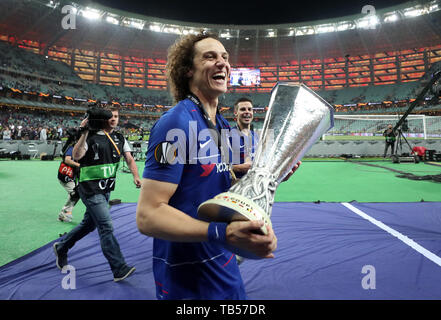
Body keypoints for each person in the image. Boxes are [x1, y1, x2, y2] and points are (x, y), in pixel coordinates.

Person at [136, 32, 300, 300]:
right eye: (210, 56)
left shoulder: (223, 127)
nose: (222, 62)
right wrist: (220, 232)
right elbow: (148, 215)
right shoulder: (174, 123)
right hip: (187, 280)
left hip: (224, 265)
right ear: (188, 70)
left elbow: (228, 185)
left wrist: (270, 177)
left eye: (225, 57)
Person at [53, 107, 141, 282]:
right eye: (111, 117)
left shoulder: (119, 137)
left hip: (106, 190)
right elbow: (77, 155)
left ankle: (62, 247)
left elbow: (129, 159)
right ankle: (119, 268)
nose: (114, 119)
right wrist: (84, 132)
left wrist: (136, 176)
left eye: (116, 116)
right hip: (90, 190)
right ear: (103, 120)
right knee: (106, 225)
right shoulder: (89, 137)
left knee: (89, 225)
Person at [231, 97, 258, 179]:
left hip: (255, 184)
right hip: (236, 187)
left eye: (250, 109)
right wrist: (238, 168)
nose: (247, 112)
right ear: (236, 113)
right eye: (243, 109)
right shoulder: (228, 136)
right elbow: (218, 167)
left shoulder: (256, 136)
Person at [57, 129, 80, 222]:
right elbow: (67, 160)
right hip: (66, 174)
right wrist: (79, 165)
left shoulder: (75, 147)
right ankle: (64, 213)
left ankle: (67, 212)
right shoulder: (72, 147)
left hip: (71, 174)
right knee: (75, 193)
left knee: (76, 194)